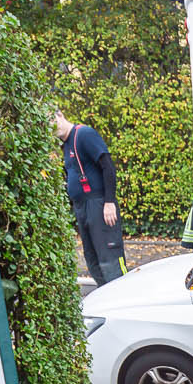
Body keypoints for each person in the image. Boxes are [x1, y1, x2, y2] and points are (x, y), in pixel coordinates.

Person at [56, 110, 127, 286]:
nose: (52, 128)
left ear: (61, 115)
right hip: (81, 207)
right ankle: (105, 296)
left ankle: (123, 295)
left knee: (110, 260)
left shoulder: (84, 134)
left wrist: (109, 202)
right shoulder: (66, 145)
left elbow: (108, 166)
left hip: (98, 205)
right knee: (93, 261)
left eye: (52, 121)